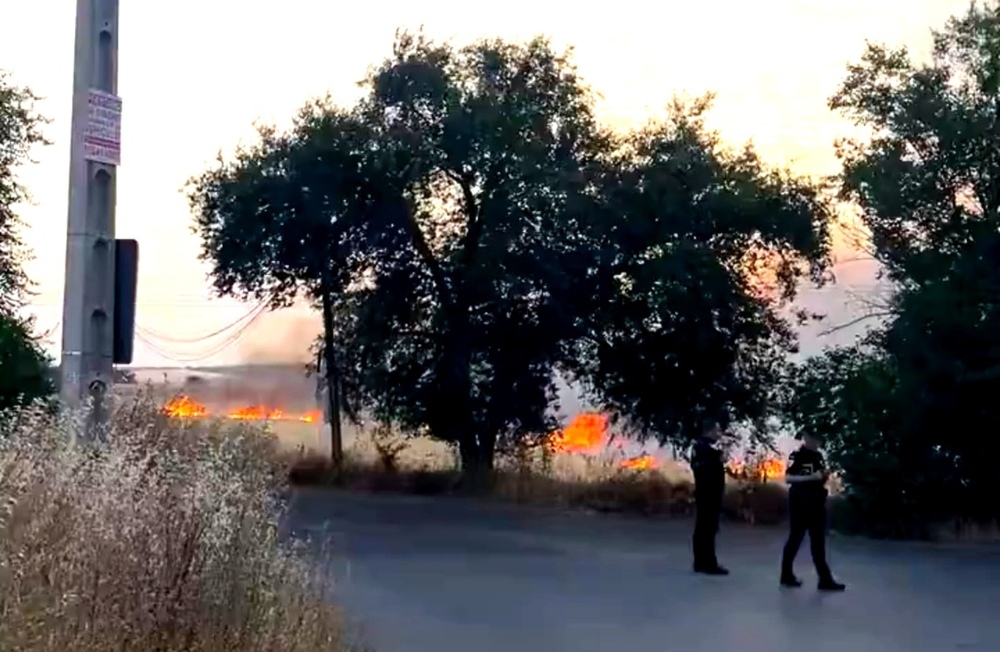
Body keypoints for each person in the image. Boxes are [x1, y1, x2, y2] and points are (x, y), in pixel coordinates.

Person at [780, 433, 846, 591]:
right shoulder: (797, 455)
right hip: (800, 502)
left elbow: (818, 477)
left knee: (818, 541)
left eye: (819, 440)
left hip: (816, 502)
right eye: (814, 440)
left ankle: (824, 579)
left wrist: (824, 477)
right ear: (807, 439)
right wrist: (811, 477)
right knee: (796, 538)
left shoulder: (818, 456)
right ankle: (786, 575)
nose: (817, 443)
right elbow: (788, 478)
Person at [691, 419, 728, 575]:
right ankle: (708, 563)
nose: (719, 434)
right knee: (708, 528)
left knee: (703, 528)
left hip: (705, 493)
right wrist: (718, 459)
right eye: (717, 430)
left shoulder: (700, 447)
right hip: (709, 494)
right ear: (710, 431)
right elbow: (704, 468)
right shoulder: (704, 448)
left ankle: (700, 562)